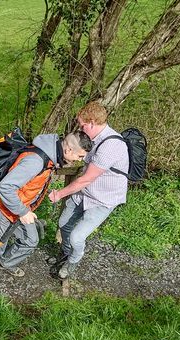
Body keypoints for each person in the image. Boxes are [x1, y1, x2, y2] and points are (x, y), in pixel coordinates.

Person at [0, 131, 92, 283]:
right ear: (69, 150)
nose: (79, 160)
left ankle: (4, 263)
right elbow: (6, 187)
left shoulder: (50, 157)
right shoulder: (36, 161)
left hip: (19, 209)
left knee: (30, 240)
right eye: (79, 156)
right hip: (4, 209)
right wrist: (23, 211)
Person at [48, 101, 129, 279]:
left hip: (102, 199)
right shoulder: (92, 138)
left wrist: (59, 194)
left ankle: (72, 262)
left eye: (82, 125)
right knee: (64, 224)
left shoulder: (111, 146)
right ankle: (66, 253)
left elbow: (85, 179)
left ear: (92, 122)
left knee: (77, 237)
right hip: (84, 193)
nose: (80, 128)